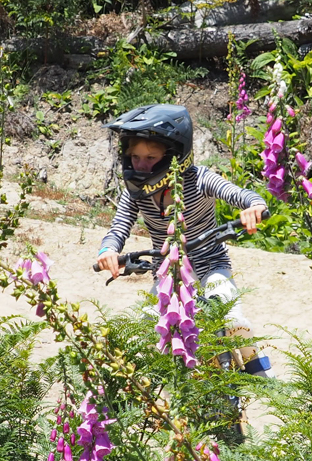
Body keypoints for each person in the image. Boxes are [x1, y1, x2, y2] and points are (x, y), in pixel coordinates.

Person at [96, 104, 270, 375]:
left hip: (211, 265)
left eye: (151, 157)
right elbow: (119, 228)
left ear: (174, 154)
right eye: (135, 157)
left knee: (232, 318)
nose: (141, 165)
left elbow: (239, 194)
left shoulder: (200, 180)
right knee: (147, 329)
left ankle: (259, 371)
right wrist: (108, 251)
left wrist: (254, 207)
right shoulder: (134, 194)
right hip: (167, 276)